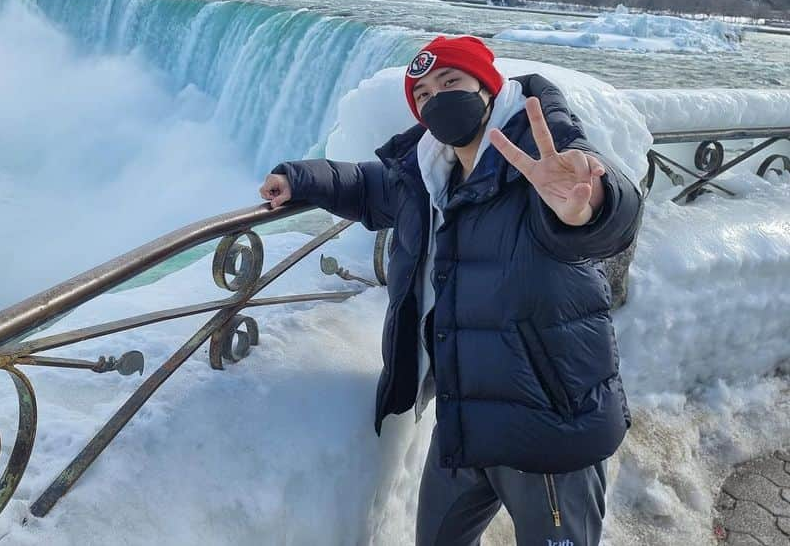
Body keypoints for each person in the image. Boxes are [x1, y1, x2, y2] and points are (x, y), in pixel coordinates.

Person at [259, 35, 641, 545]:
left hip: (552, 432)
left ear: (487, 87)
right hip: (464, 420)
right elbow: (366, 186)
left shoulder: (540, 160)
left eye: (450, 82)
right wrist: (297, 177)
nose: (436, 100)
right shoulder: (428, 173)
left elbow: (608, 215)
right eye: (422, 96)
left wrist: (589, 205)